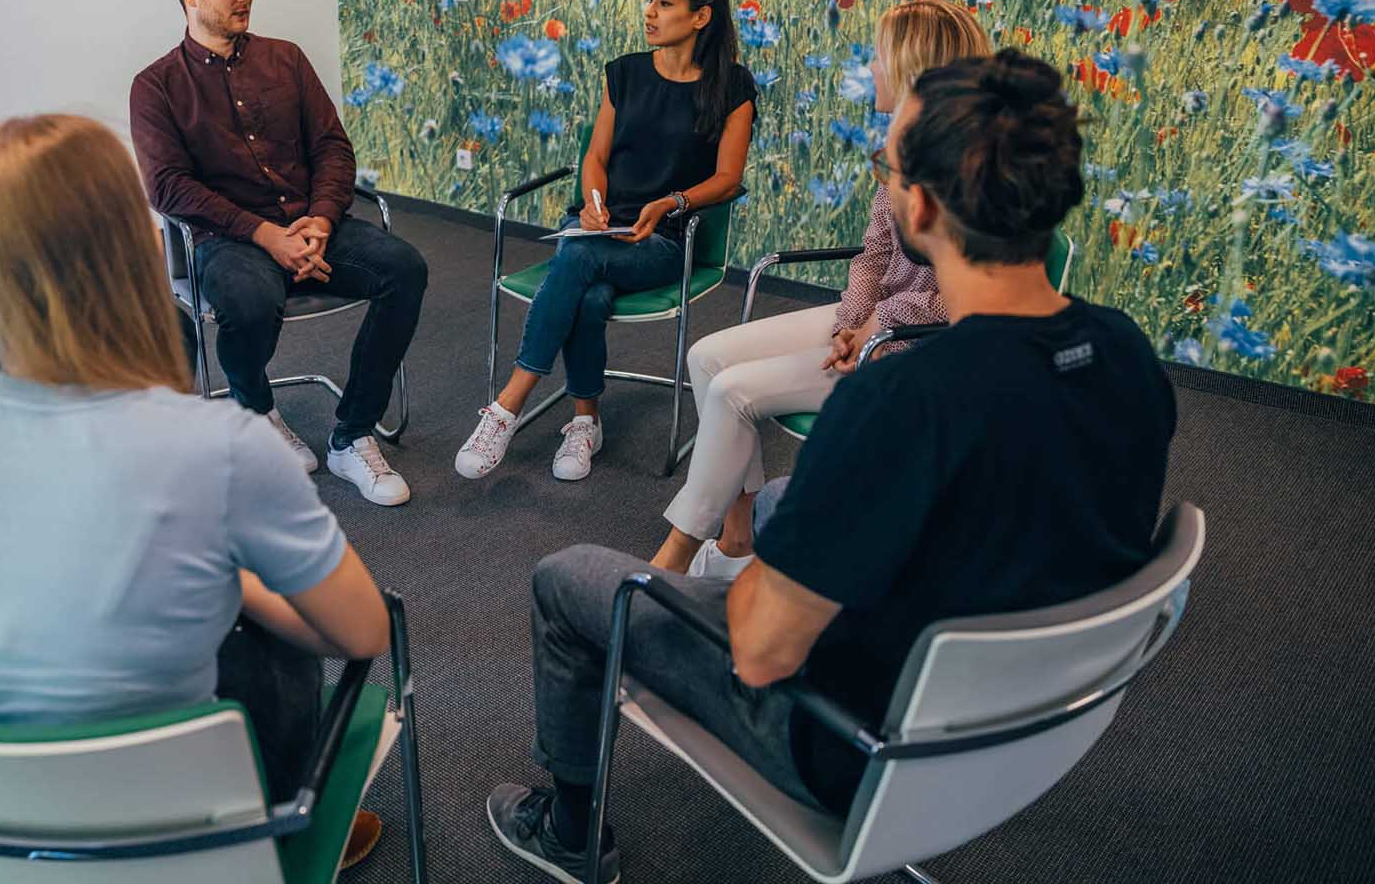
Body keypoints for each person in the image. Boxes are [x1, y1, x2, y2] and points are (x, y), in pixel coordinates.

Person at [485, 50, 1175, 884]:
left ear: (917, 202)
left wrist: (742, 600)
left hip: (854, 744)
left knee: (572, 580)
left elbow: (763, 655)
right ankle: (745, 559)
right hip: (1026, 727)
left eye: (887, 164)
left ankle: (565, 833)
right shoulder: (1128, 354)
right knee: (777, 497)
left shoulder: (902, 401)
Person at [0, 114, 390, 861]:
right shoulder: (222, 446)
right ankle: (291, 822)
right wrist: (241, 587)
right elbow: (362, 633)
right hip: (165, 838)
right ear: (130, 248)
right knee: (266, 634)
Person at [650, 0, 990, 579]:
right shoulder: (901, 147)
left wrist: (873, 330)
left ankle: (674, 556)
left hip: (921, 347)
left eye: (881, 58)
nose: (873, 69)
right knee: (706, 356)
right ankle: (737, 544)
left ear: (914, 70)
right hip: (876, 321)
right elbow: (874, 254)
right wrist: (847, 324)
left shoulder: (973, 166)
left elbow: (963, 299)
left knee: (733, 391)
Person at [131, 0, 426, 506]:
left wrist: (318, 220)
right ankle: (257, 410)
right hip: (228, 240)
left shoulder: (285, 59)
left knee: (405, 268)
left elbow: (332, 149)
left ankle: (352, 434)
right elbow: (167, 186)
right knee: (246, 303)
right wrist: (266, 235)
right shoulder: (156, 86)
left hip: (313, 226)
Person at [455, 0, 756, 484]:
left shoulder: (733, 87)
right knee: (587, 290)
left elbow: (729, 178)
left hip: (664, 238)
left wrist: (670, 203)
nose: (650, 12)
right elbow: (595, 156)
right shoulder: (625, 72)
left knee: (576, 258)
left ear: (701, 16)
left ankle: (507, 406)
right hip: (600, 228)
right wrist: (593, 201)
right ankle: (584, 422)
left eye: (664, 3)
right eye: (649, 0)